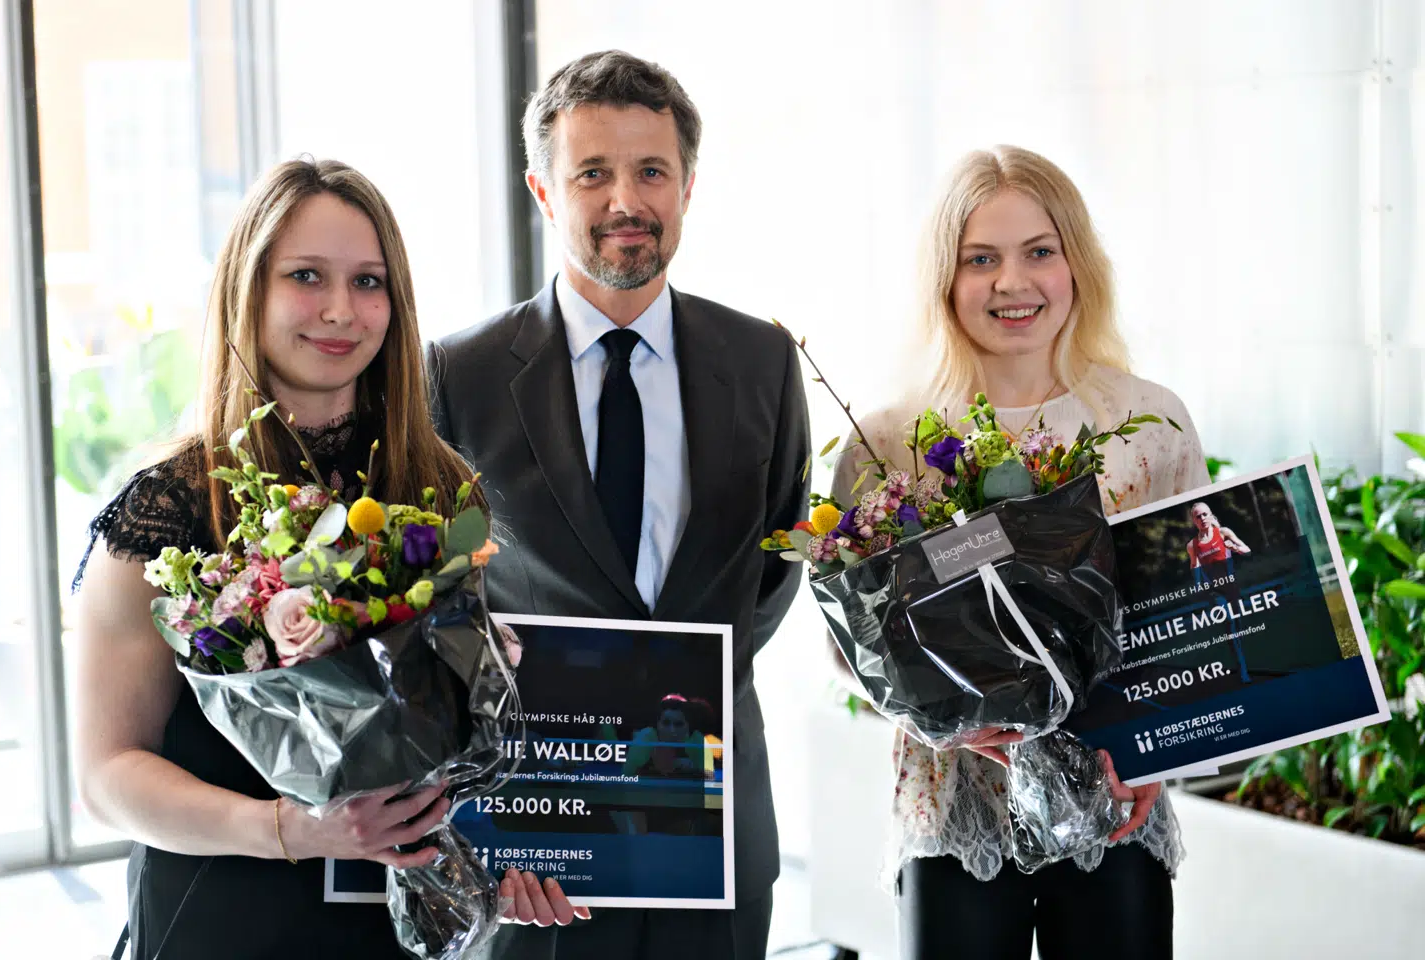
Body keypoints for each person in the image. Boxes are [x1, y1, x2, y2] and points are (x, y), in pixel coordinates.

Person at [431, 50, 809, 960]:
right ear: (544, 190)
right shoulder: (460, 374)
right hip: (534, 836)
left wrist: (673, 686)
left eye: (651, 171)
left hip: (713, 815)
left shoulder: (762, 359)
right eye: (592, 173)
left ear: (687, 186)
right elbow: (437, 591)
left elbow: (778, 561)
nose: (624, 201)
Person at [73, 159, 486, 958]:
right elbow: (106, 777)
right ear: (247, 290)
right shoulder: (166, 504)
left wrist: (521, 854)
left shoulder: (443, 488)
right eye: (306, 276)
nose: (341, 310)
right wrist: (294, 830)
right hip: (223, 916)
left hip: (397, 922)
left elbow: (464, 732)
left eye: (370, 282)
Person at [832, 145, 1210, 959]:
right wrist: (948, 720)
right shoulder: (887, 439)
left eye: (1040, 250)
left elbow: (1190, 615)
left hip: (1118, 796)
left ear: (1078, 262)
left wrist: (1158, 746)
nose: (1013, 282)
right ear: (945, 278)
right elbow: (852, 642)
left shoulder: (1149, 424)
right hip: (953, 802)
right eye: (981, 259)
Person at [1187, 500, 1253, 680]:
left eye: (1204, 514)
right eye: (1197, 516)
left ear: (1209, 515)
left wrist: (1236, 549)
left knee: (1238, 627)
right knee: (1230, 626)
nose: (1202, 518)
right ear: (1194, 521)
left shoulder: (1223, 533)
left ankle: (1241, 659)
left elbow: (1247, 550)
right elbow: (1194, 565)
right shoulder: (1193, 545)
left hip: (1232, 587)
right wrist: (1198, 582)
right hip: (1215, 592)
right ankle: (1243, 670)